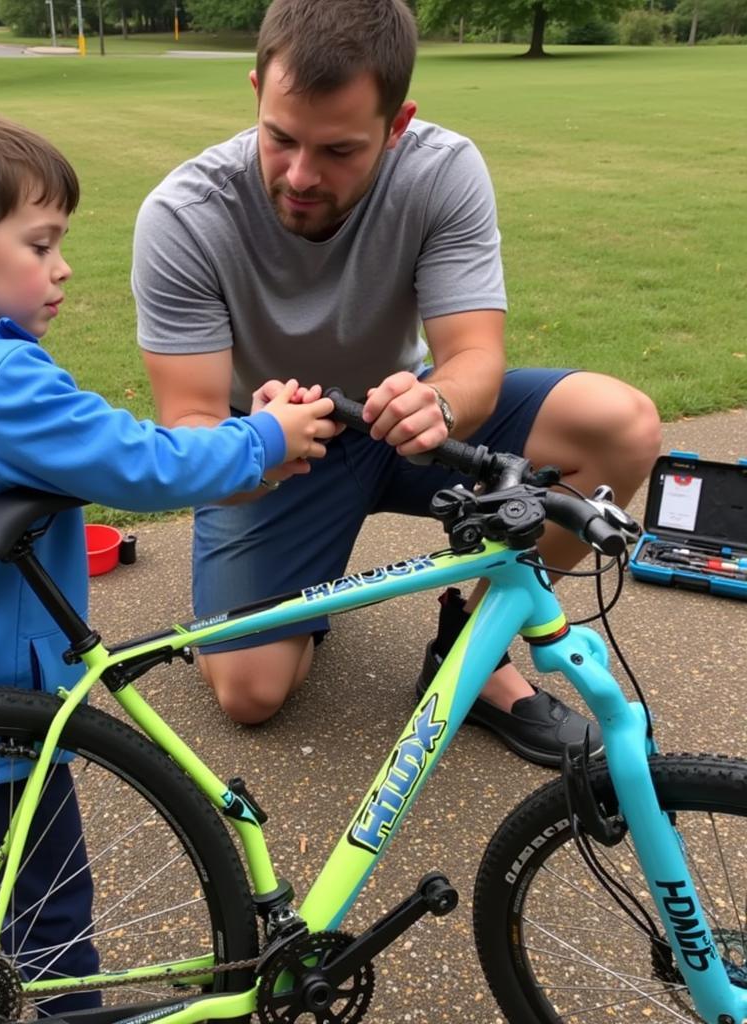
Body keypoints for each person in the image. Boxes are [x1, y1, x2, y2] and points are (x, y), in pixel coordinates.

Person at [0, 104, 336, 1015]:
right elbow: (146, 463)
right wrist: (265, 436)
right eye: (41, 244)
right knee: (51, 943)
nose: (62, 270)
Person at [133, 0, 662, 767]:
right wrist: (252, 446)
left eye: (340, 149)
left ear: (398, 123)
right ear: (256, 91)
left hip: (410, 420)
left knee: (623, 424)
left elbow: (476, 355)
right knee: (249, 693)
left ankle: (471, 656)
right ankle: (300, 582)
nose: (302, 176)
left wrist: (439, 402)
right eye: (280, 137)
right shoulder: (183, 216)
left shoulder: (443, 170)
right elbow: (189, 423)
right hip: (277, 445)